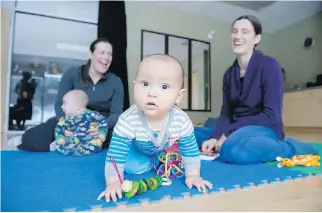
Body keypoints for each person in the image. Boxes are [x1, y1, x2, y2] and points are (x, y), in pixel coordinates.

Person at [197, 15, 318, 164]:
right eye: (234, 31)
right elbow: (226, 113)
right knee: (190, 135)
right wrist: (214, 137)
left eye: (245, 31)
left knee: (231, 149)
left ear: (257, 39)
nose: (237, 36)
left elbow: (270, 114)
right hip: (235, 129)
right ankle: (226, 139)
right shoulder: (229, 74)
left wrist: (228, 133)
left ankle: (293, 147)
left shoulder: (270, 66)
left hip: (263, 128)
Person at [97, 54, 212, 203]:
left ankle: (161, 156)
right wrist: (113, 183)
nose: (151, 93)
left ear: (178, 96)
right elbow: (115, 155)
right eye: (145, 84)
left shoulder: (181, 120)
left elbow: (190, 150)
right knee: (132, 167)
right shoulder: (128, 119)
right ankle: (153, 159)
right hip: (138, 148)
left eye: (164, 86)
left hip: (164, 146)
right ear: (134, 85)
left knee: (182, 161)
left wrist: (193, 175)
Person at [8, 38, 124, 152]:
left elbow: (116, 113)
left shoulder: (116, 82)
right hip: (70, 120)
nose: (106, 58)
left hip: (98, 125)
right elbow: (59, 103)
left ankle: (68, 143)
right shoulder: (72, 74)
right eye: (102, 53)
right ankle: (25, 139)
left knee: (121, 141)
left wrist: (101, 126)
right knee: (35, 140)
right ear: (90, 54)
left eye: (109, 54)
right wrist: (66, 125)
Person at [51, 90, 108, 156]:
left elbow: (103, 122)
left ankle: (78, 150)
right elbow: (59, 128)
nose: (62, 107)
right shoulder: (66, 118)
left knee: (95, 145)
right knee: (61, 144)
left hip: (89, 141)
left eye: (65, 104)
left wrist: (102, 133)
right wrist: (60, 137)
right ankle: (70, 149)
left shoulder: (92, 115)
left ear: (77, 107)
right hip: (72, 141)